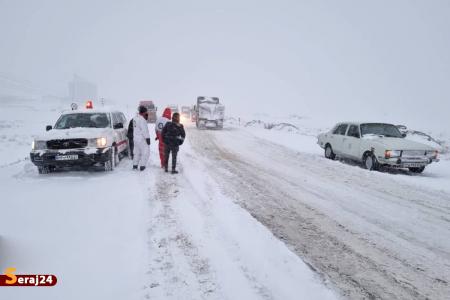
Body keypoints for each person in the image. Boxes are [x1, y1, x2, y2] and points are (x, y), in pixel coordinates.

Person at [132, 106, 151, 171]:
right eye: (146, 112)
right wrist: (147, 138)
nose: (147, 113)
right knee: (145, 152)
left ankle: (135, 165)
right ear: (143, 112)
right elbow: (144, 130)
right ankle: (142, 166)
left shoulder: (134, 118)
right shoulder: (142, 120)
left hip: (136, 139)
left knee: (136, 153)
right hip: (142, 139)